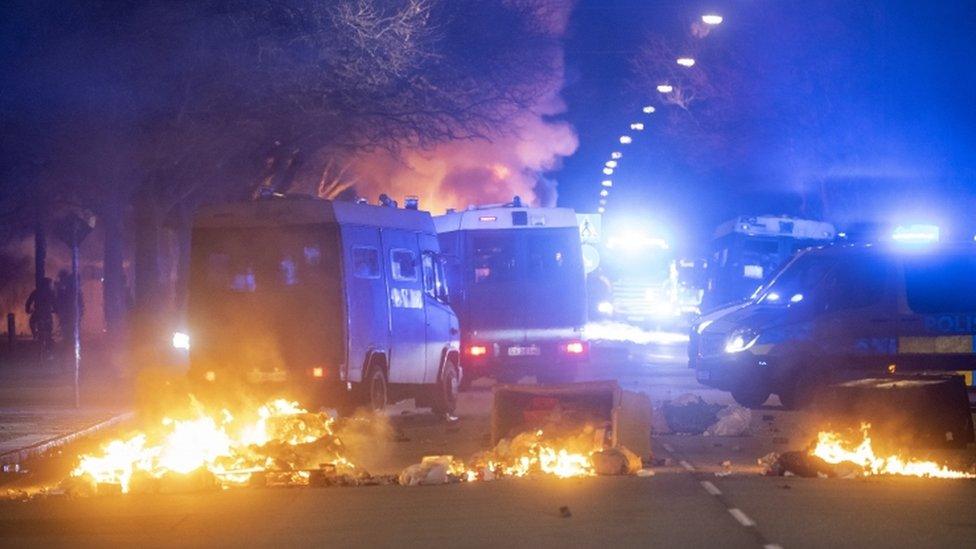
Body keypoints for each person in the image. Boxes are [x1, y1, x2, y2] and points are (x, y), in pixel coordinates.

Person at [26, 277, 55, 348]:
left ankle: (35, 335)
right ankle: (48, 338)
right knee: (49, 324)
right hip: (46, 312)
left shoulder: (36, 292)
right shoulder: (51, 292)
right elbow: (55, 303)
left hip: (38, 312)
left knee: (32, 322)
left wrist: (27, 309)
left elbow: (29, 301)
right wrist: (55, 309)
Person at [55, 269, 84, 340]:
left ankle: (69, 339)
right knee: (68, 326)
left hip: (69, 311)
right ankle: (68, 339)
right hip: (68, 311)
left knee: (69, 326)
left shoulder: (67, 288)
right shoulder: (65, 288)